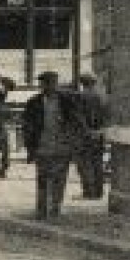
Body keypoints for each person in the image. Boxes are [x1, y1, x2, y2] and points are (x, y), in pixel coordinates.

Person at [23, 70, 85, 220]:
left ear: (56, 84)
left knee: (60, 179)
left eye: (52, 83)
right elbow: (27, 126)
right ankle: (42, 210)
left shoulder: (67, 101)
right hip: (42, 146)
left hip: (61, 146)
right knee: (43, 178)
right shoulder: (33, 102)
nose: (49, 86)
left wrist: (73, 142)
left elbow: (76, 122)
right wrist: (29, 147)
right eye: (45, 83)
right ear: (42, 85)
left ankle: (55, 208)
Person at [74, 73, 109, 200]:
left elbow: (79, 117)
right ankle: (99, 192)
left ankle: (89, 192)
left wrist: (87, 131)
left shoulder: (81, 96)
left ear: (82, 83)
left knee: (84, 163)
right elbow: (106, 116)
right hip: (99, 134)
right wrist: (100, 131)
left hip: (85, 135)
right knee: (97, 163)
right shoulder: (103, 96)